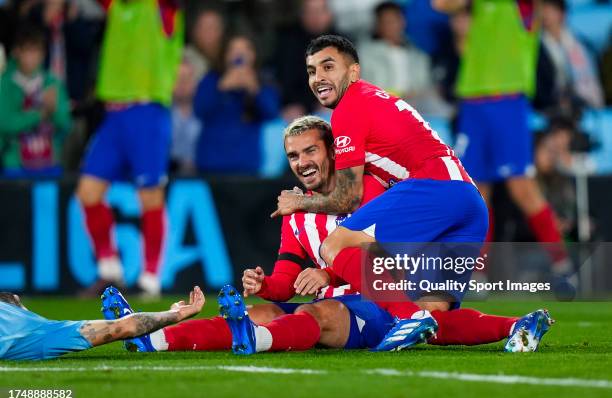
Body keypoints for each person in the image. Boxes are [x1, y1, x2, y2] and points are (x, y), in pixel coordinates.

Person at [102, 116, 553, 355]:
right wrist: (266, 283)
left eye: (310, 150)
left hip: (384, 299)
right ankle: (154, 338)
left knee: (327, 313)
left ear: (334, 151)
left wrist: (324, 268)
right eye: (293, 155)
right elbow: (286, 278)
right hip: (355, 298)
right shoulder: (298, 216)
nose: (301, 162)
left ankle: (256, 340)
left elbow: (396, 254)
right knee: (263, 308)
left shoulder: (373, 191)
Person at [268, 34, 488, 352]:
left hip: (433, 188)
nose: (318, 78)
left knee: (336, 244)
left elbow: (347, 199)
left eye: (328, 67)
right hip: (469, 201)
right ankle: (517, 328)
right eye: (312, 70)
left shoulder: (348, 108)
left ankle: (407, 319)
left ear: (354, 72)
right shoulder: (373, 98)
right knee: (434, 312)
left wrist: (298, 201)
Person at [433, 0, 578, 293]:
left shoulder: (520, 5)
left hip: (508, 102)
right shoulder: (476, 8)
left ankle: (563, 265)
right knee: (475, 191)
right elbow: (441, 5)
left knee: (521, 187)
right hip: (472, 104)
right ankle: (477, 275)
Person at [76, 0, 184, 297]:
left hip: (147, 110)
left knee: (150, 197)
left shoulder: (163, 7)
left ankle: (150, 279)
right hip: (113, 114)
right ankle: (109, 271)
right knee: (88, 192)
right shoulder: (116, 6)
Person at [0, 286, 204, 361]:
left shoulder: (39, 332)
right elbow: (125, 327)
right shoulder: (41, 332)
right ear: (16, 303)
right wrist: (174, 314)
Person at [194, 33, 279, 175]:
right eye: (233, 50)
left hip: (246, 164)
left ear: (254, 55)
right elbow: (199, 110)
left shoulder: (262, 82)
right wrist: (221, 87)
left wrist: (255, 90)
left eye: (246, 50)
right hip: (211, 164)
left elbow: (271, 113)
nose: (239, 55)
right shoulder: (211, 79)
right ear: (225, 55)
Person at [0, 25, 71, 178]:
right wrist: (40, 114)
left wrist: (53, 110)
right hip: (15, 166)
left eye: (36, 51)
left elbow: (65, 123)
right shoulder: (5, 84)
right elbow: (5, 123)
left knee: (48, 202)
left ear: (43, 54)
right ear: (17, 52)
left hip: (49, 165)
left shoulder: (52, 83)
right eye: (27, 51)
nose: (32, 57)